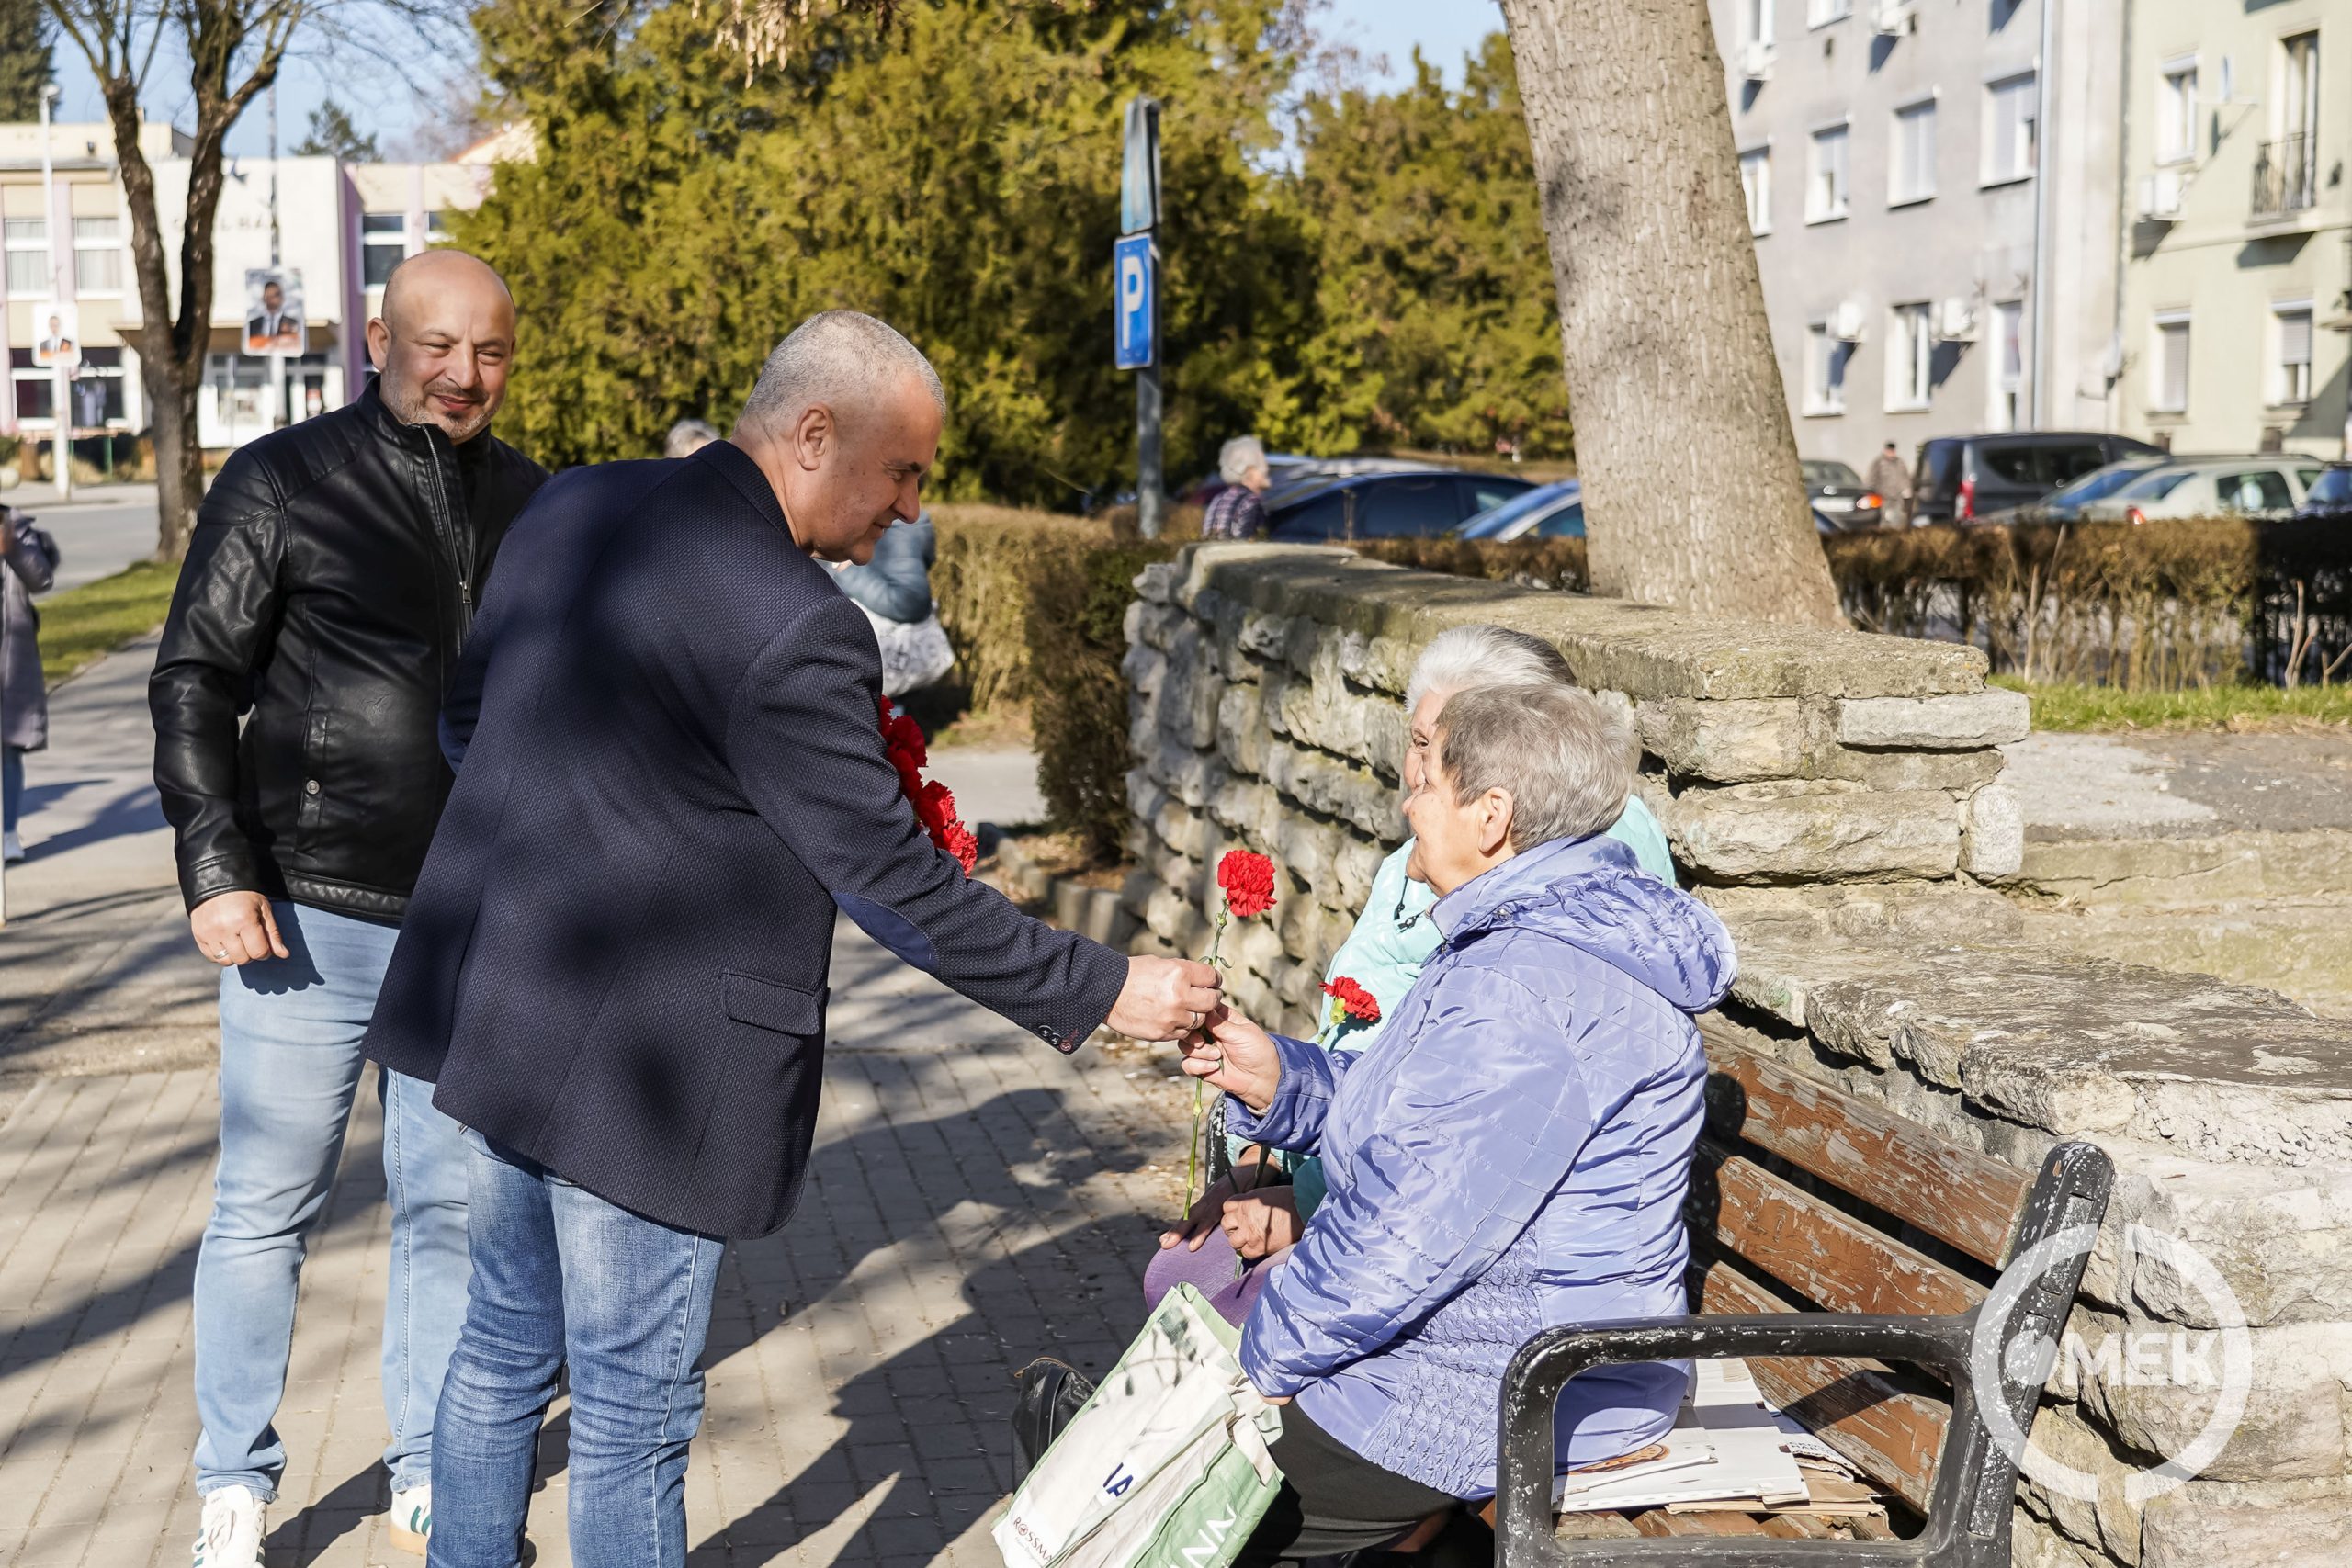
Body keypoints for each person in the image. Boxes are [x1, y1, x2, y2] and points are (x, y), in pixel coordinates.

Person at [361, 310, 1223, 1568]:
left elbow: (470, 719)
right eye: (904, 471)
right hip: (646, 1081)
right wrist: (1108, 986)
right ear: (814, 432)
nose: (912, 510)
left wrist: (577, 847)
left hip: (505, 1001)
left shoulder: (576, 502)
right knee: (631, 1416)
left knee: (497, 1345)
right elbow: (891, 881)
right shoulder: (795, 624)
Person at [151, 249, 547, 1568]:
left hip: (470, 918)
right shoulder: (284, 480)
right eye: (438, 345)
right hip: (304, 912)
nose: (463, 374)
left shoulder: (539, 501)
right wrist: (218, 861)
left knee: (448, 1210)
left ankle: (430, 1463)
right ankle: (233, 1481)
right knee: (268, 1203)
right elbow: (197, 674)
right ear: (384, 338)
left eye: (488, 351)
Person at [1181, 681, 1735, 1564]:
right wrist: (1288, 1079)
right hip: (1472, 1339)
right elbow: (1427, 1133)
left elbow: (1407, 1232)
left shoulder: (1528, 982)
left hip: (1520, 1379)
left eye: (1428, 780)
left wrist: (1262, 1360)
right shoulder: (1517, 940)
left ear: (1491, 815)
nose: (1407, 800)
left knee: (1194, 1495)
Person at [1148, 625, 1677, 1318]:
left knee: (1222, 1312)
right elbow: (1369, 1052)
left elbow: (1465, 1121)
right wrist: (1265, 1155)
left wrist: (1304, 1208)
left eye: (1439, 746)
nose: (1414, 773)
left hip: (1439, 1237)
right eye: (1418, 740)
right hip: (1353, 1173)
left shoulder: (1576, 858)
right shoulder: (1421, 864)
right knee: (1179, 1276)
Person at [829, 507, 952, 695]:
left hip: (881, 659)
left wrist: (847, 571)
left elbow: (908, 602)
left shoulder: (900, 528)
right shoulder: (904, 524)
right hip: (886, 668)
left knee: (886, 717)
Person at [2, 507, 59, 863]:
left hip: (9, 657)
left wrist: (12, 549)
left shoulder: (15, 529)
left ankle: (7, 831)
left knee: (7, 746)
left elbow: (41, 579)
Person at [1202, 434, 1273, 539]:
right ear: (1249, 470)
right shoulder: (1251, 501)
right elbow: (1251, 546)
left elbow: (1207, 538)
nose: (1268, 468)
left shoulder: (1218, 499)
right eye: (1263, 464)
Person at [245, 280, 301, 354]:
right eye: (269, 295)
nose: (272, 299)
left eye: (276, 295)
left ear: (282, 298)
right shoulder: (252, 325)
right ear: (263, 298)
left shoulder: (293, 323)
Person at [1865, 440, 1911, 528]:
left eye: (1892, 450)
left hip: (1898, 497)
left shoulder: (1900, 462)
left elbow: (1905, 477)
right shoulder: (1878, 462)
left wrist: (1907, 489)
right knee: (1885, 520)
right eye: (1889, 450)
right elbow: (1871, 478)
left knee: (1900, 519)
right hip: (1884, 497)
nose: (1891, 453)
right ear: (1885, 450)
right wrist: (1872, 492)